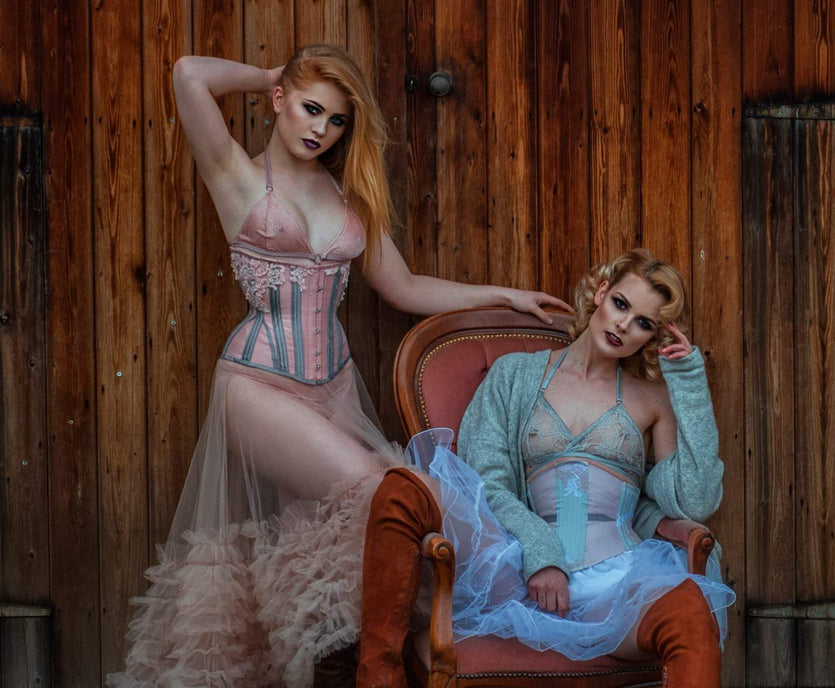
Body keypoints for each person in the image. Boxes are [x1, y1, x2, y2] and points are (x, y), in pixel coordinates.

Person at [106, 43, 569, 687]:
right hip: (259, 384)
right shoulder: (237, 175)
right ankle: (377, 672)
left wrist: (503, 295)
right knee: (386, 493)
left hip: (335, 390)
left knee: (417, 503)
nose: (320, 128)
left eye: (336, 119)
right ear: (280, 102)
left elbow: (403, 288)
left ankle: (352, 664)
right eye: (309, 108)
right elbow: (189, 73)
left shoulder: (347, 194)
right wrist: (275, 73)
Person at [357, 249, 735, 688]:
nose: (623, 325)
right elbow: (487, 480)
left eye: (643, 323)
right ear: (600, 293)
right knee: (402, 487)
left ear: (650, 337)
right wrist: (541, 553)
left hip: (614, 583)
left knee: (690, 609)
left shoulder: (651, 398)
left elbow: (694, 500)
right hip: (513, 567)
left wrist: (688, 381)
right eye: (621, 304)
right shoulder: (513, 375)